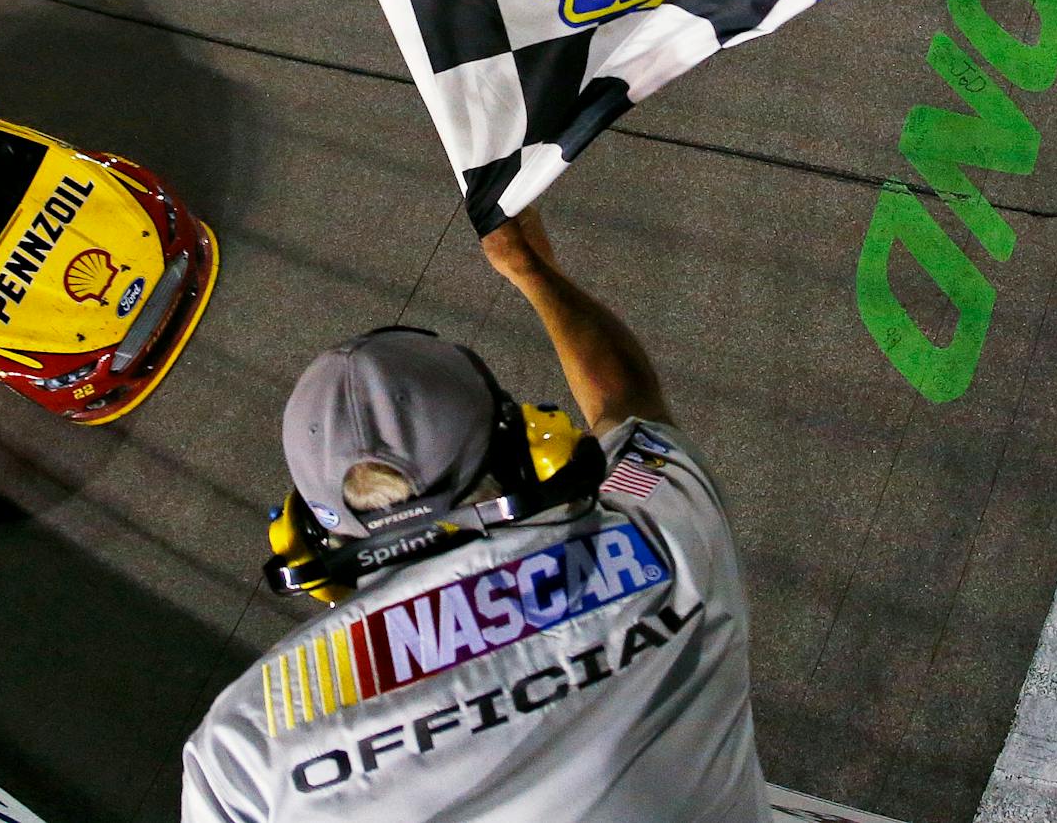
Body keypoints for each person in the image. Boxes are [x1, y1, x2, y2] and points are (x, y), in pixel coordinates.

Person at [183, 209, 764, 822]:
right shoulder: (657, 531)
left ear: (305, 535)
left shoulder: (239, 753)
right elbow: (627, 407)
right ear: (530, 444)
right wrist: (528, 266)